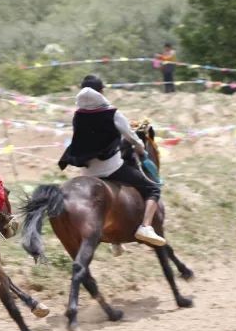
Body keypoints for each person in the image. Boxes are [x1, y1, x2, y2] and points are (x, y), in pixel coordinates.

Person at [59, 75, 166, 247]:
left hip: (86, 171)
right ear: (101, 91)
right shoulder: (112, 113)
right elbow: (130, 137)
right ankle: (145, 226)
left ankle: (114, 242)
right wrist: (140, 148)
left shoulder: (78, 115)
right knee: (152, 188)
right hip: (111, 168)